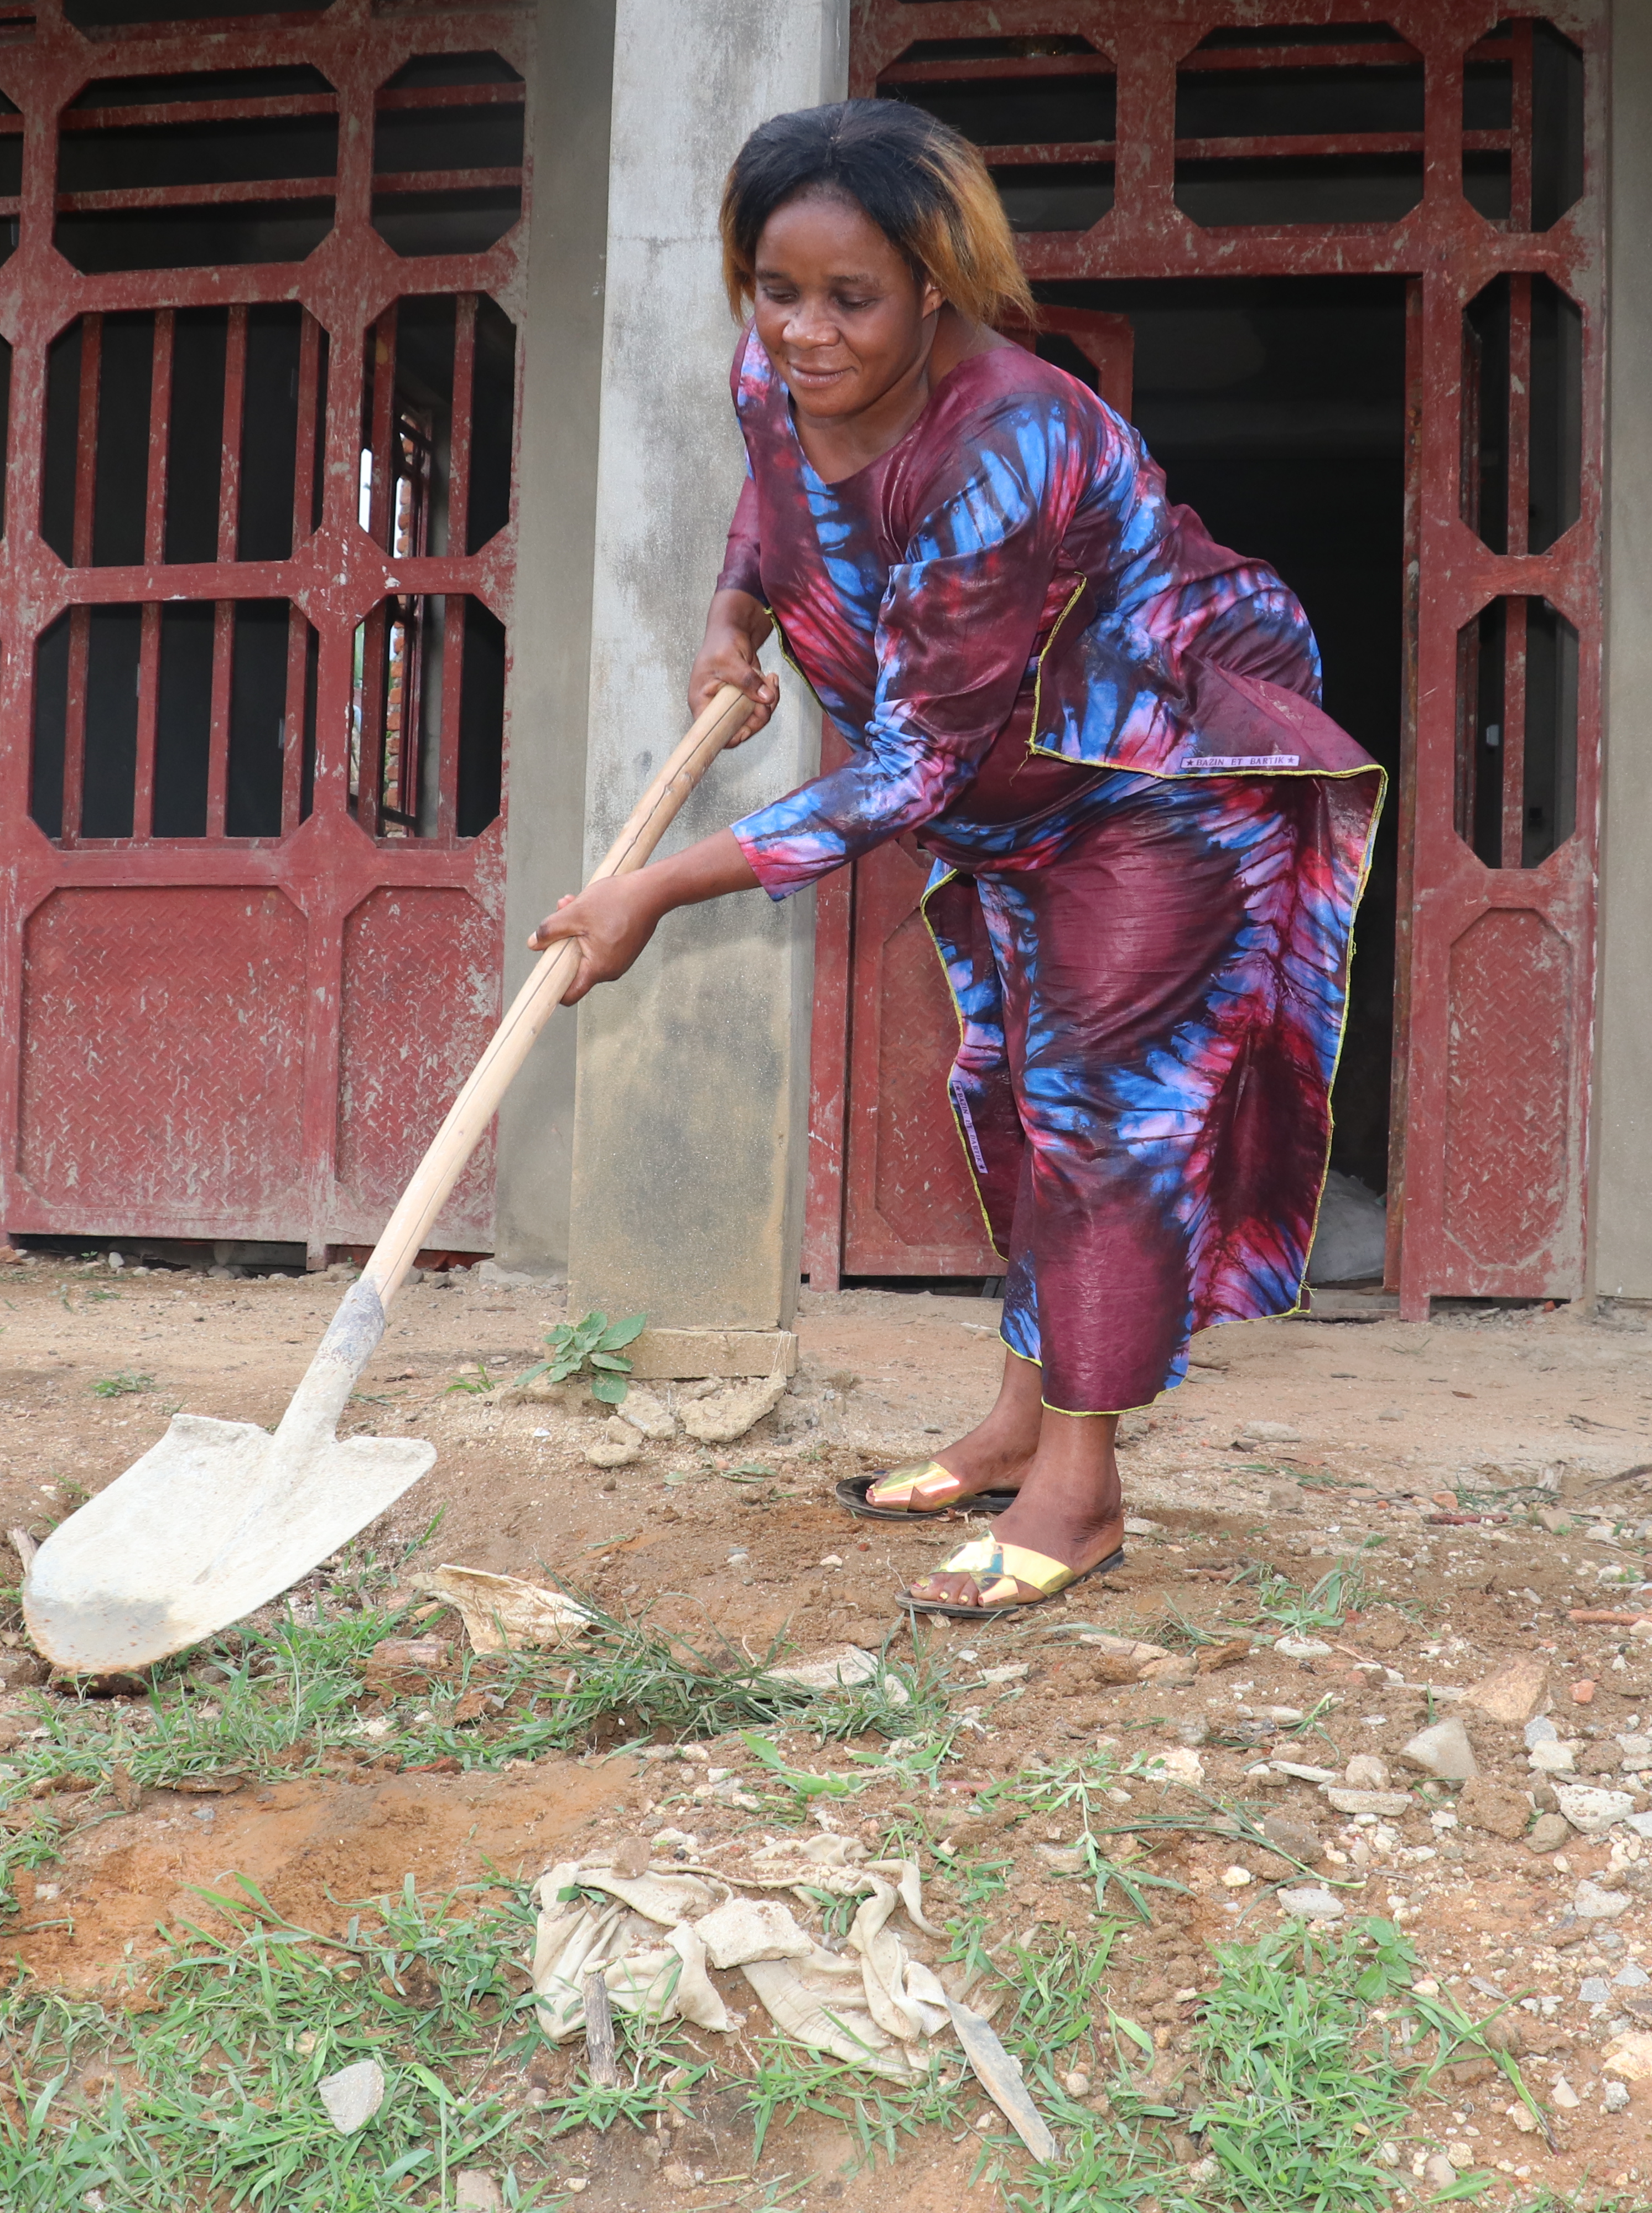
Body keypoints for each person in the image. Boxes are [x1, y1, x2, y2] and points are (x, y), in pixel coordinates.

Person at [531, 99, 1384, 1619]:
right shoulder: (777, 372)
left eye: (849, 298)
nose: (803, 332)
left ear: (936, 287)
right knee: (1000, 1091)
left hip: (1151, 790)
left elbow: (908, 766)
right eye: (774, 291)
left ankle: (1082, 1490)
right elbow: (772, 493)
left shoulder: (1009, 440)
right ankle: (1014, 1425)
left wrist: (652, 887)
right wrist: (735, 614)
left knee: (1099, 1120)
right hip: (1007, 803)